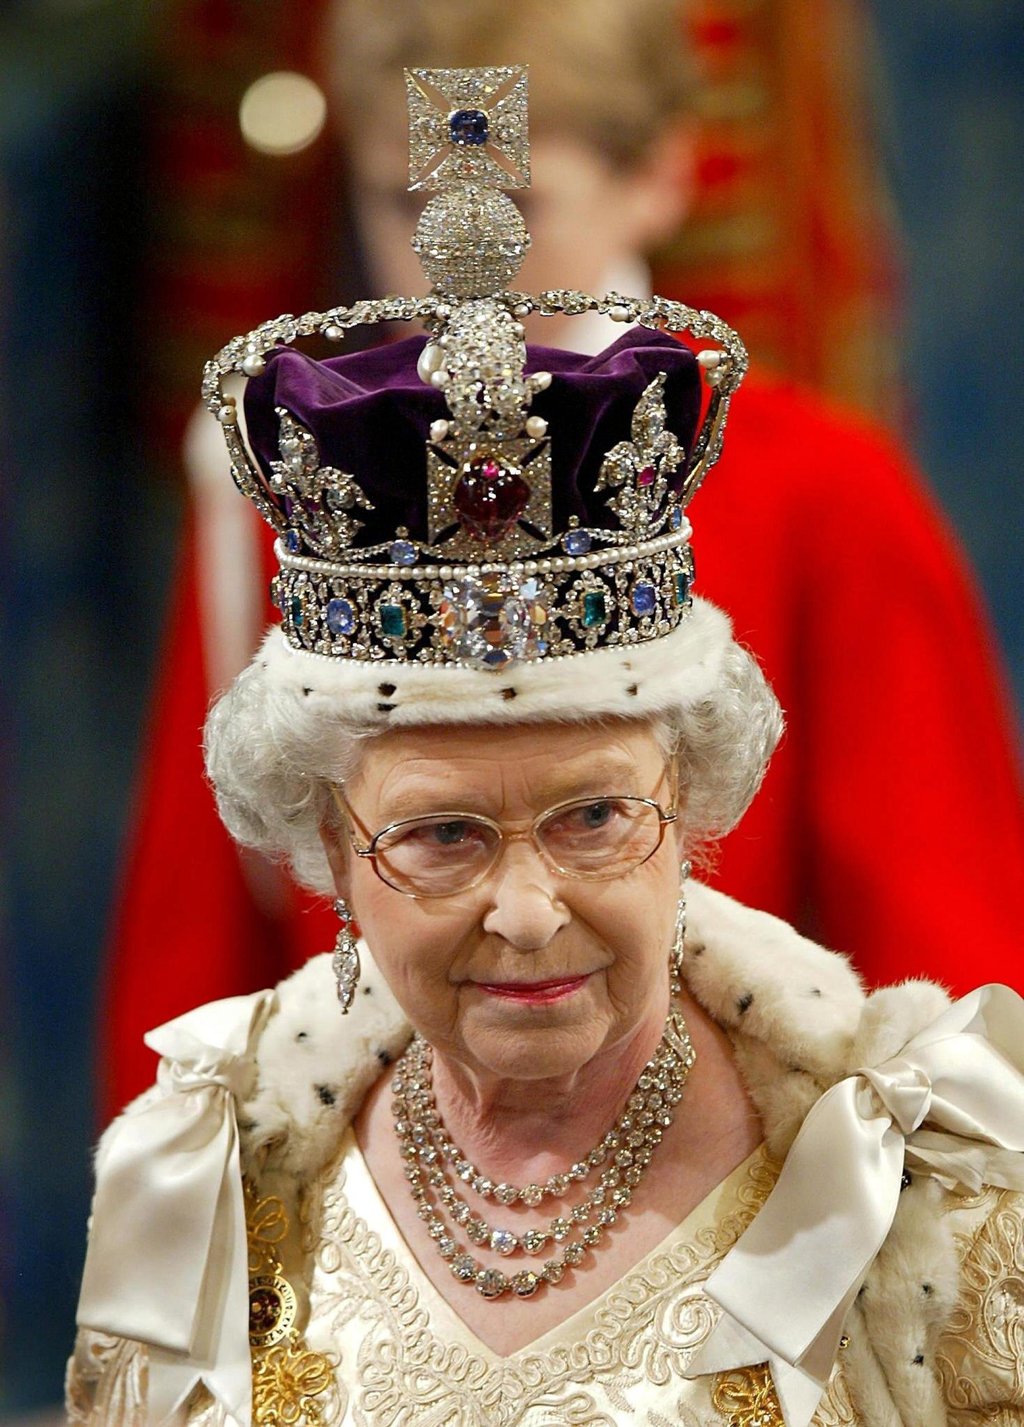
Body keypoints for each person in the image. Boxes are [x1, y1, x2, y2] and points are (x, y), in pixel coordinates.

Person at [72, 69, 1024, 1426]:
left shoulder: (903, 1192)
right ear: (330, 848)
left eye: (593, 818)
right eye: (441, 834)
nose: (526, 914)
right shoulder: (203, 1196)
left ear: (692, 803)